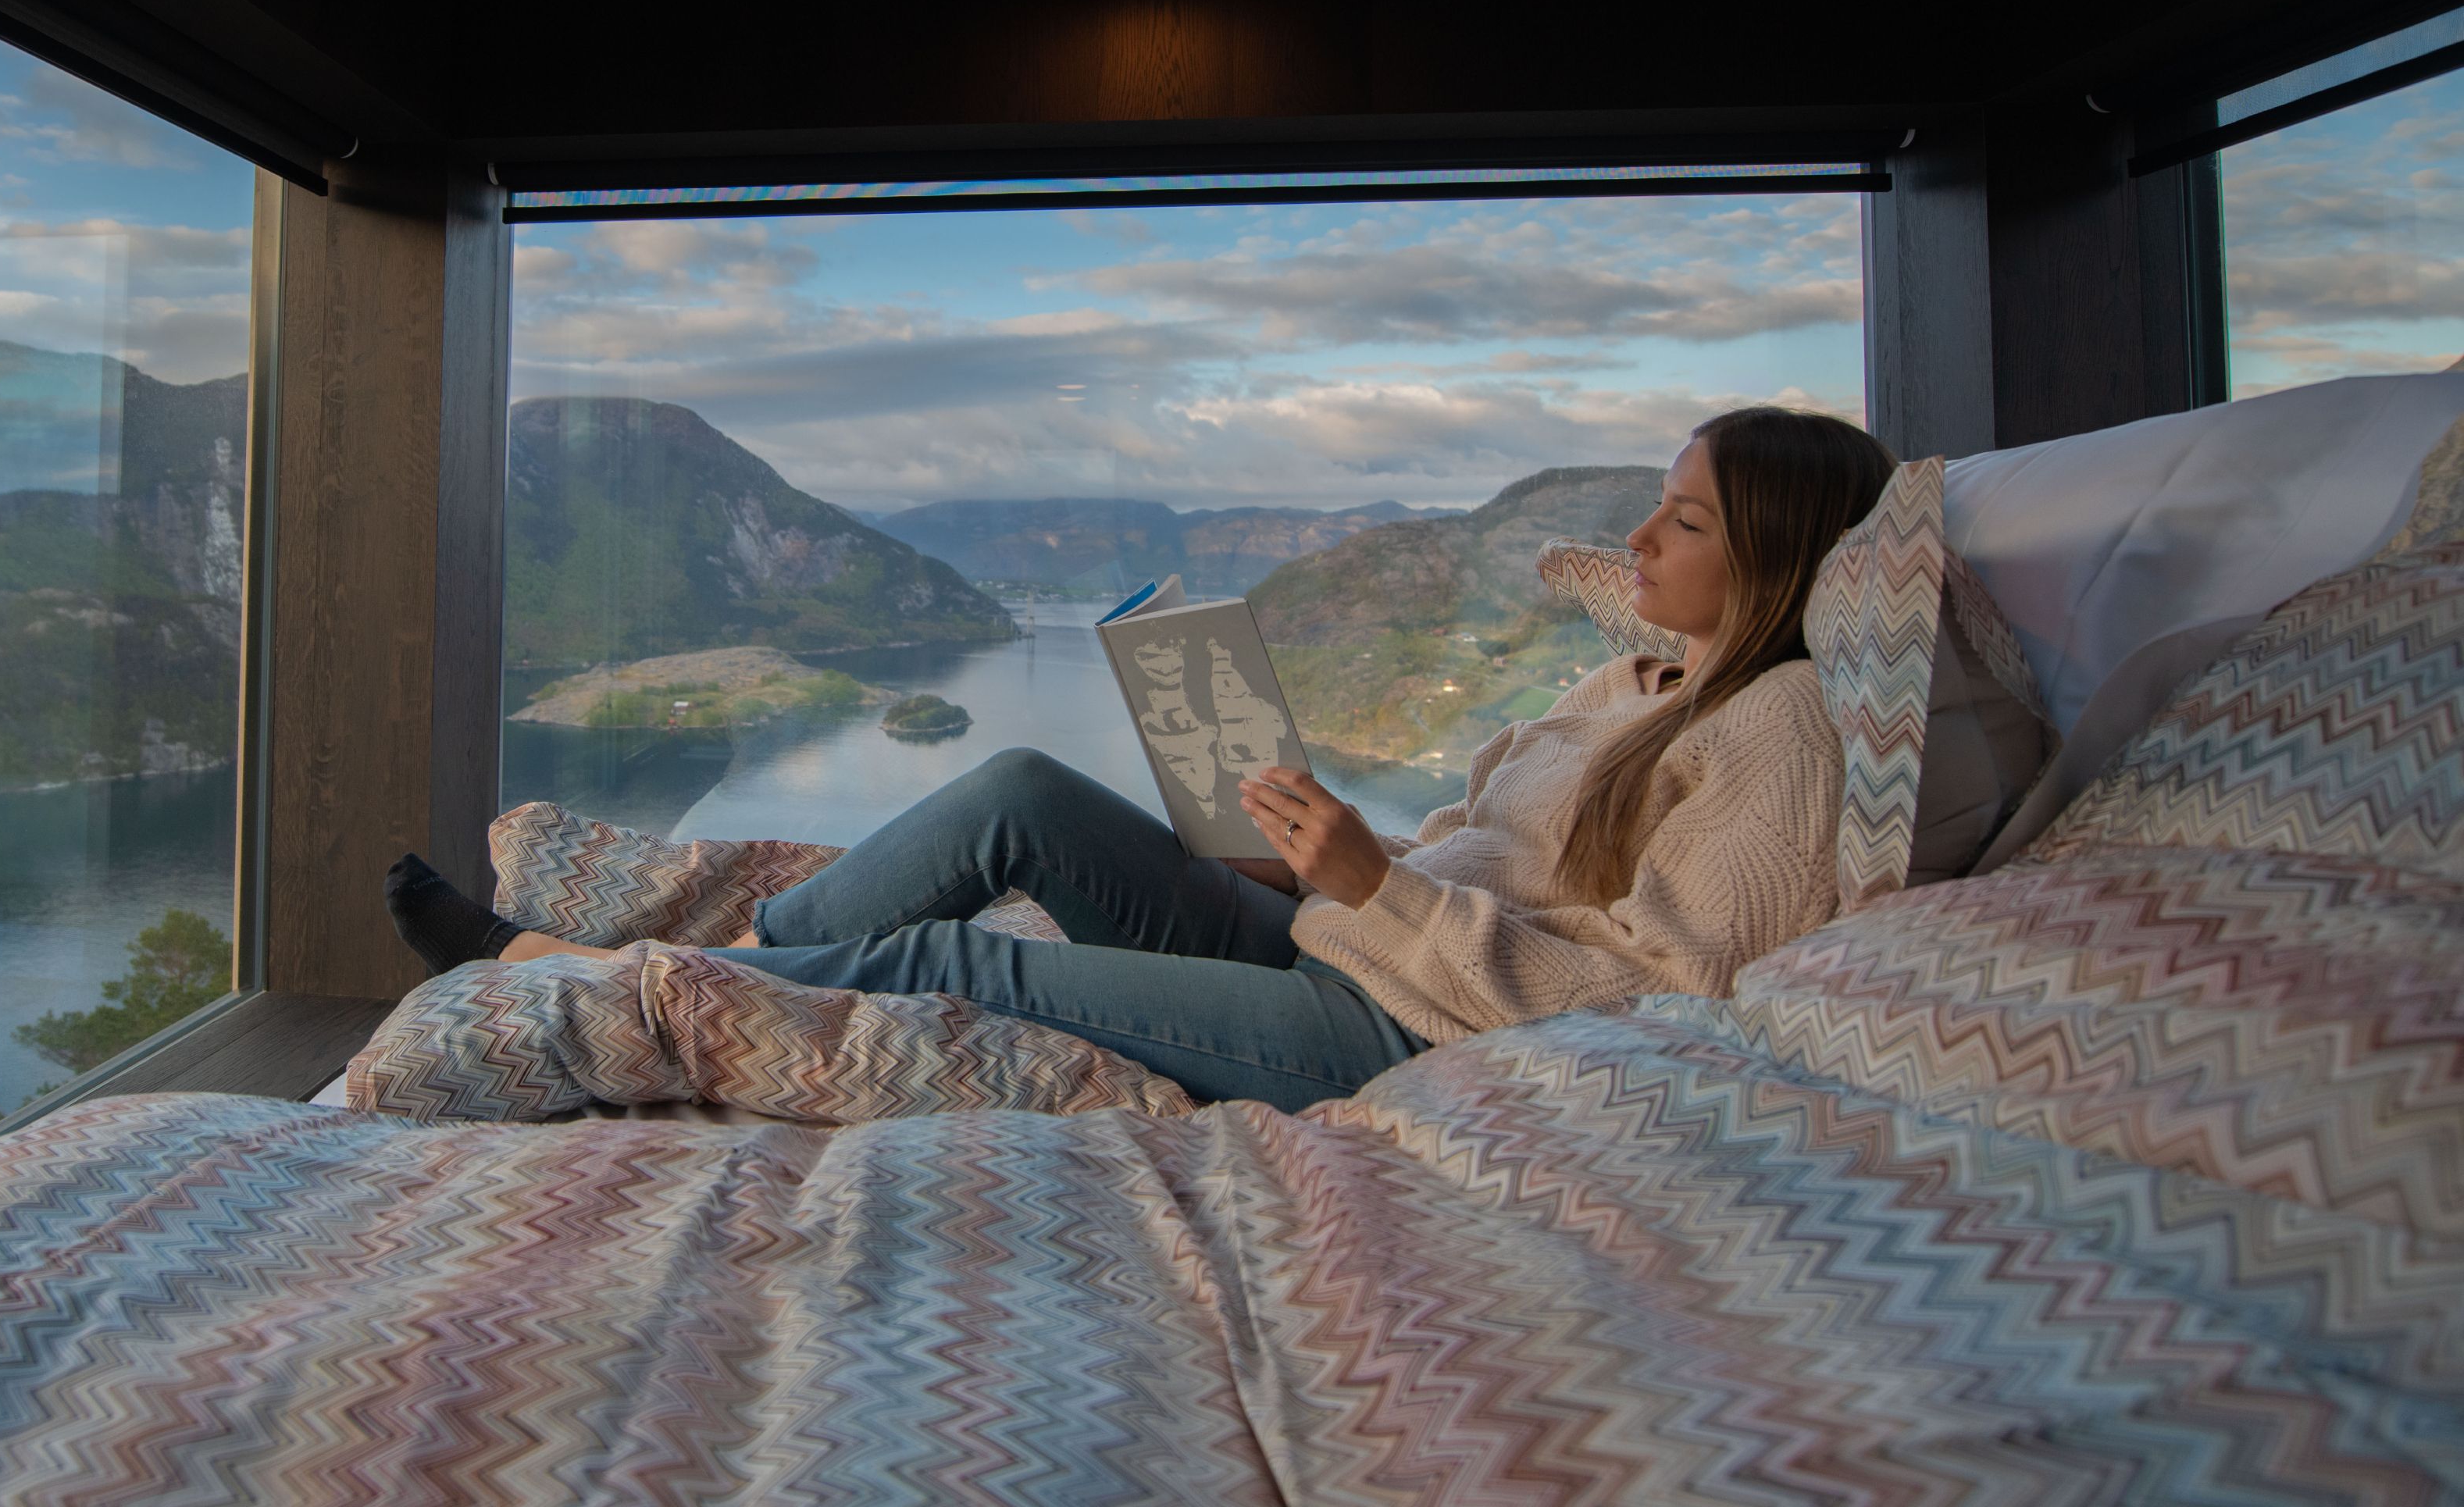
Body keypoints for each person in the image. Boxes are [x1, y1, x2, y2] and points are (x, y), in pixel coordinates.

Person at [388, 407, 1896, 1111]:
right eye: (1656, 503)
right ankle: (731, 939)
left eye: (1685, 520)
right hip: (1351, 939)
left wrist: (1378, 888)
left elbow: (1662, 998)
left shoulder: (1781, 735)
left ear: (1774, 556)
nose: (1641, 537)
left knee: (963, 967)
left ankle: (576, 993)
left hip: (1410, 1030)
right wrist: (1320, 860)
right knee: (1023, 796)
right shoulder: (1629, 681)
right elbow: (1489, 850)